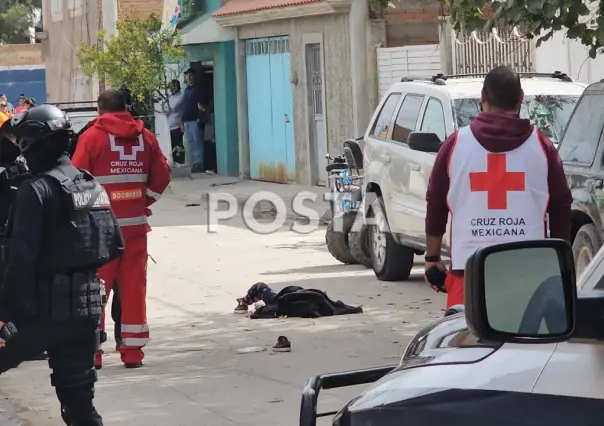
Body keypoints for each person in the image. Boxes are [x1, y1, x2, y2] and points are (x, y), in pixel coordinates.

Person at [0, 104, 125, 425]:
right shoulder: (90, 184)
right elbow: (114, 246)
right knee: (79, 409)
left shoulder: (35, 191)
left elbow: (19, 262)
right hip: (85, 315)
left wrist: (5, 316)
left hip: (41, 313)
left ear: (31, 144)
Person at [424, 65, 572, 309]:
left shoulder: (455, 145)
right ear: (521, 99)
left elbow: (436, 202)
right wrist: (558, 262)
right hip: (530, 273)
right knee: (528, 343)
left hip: (469, 273)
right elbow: (561, 206)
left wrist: (432, 258)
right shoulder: (542, 147)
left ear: (482, 97)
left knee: (465, 342)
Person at [72, 90, 171, 369]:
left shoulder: (91, 137)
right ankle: (133, 354)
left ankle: (93, 354)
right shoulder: (146, 137)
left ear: (99, 110)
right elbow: (162, 176)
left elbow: (76, 180)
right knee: (134, 290)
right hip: (134, 229)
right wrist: (143, 200)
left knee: (95, 291)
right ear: (126, 108)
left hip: (99, 231)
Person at [182, 68, 206, 173]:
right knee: (191, 143)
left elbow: (201, 105)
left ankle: (199, 163)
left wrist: (199, 117)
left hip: (194, 119)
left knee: (198, 142)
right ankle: (194, 163)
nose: (189, 78)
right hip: (186, 120)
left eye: (191, 76)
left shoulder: (198, 89)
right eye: (187, 76)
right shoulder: (187, 90)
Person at [163, 79, 185, 165]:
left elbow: (173, 107)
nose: (172, 88)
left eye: (174, 86)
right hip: (169, 126)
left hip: (177, 125)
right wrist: (167, 108)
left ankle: (179, 162)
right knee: (171, 147)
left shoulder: (181, 96)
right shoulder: (169, 96)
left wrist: (168, 108)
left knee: (178, 146)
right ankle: (173, 163)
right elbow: (164, 108)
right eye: (171, 86)